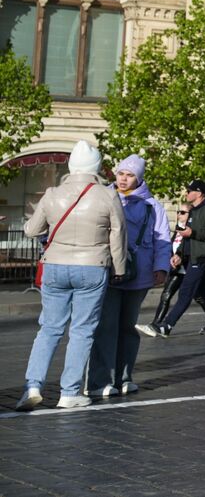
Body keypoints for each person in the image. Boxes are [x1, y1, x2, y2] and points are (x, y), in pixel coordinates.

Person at [17, 141, 128, 411]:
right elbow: (118, 236)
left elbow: (32, 230)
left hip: (55, 264)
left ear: (71, 165)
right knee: (82, 330)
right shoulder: (108, 195)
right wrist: (120, 269)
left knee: (49, 328)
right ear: (96, 166)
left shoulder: (53, 193)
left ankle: (33, 386)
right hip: (92, 265)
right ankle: (69, 392)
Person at [89, 155, 171, 398]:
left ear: (139, 178)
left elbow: (162, 239)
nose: (123, 179)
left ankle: (124, 378)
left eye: (130, 175)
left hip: (139, 273)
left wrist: (161, 267)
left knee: (127, 326)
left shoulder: (152, 206)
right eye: (121, 173)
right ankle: (101, 380)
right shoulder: (104, 197)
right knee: (106, 326)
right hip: (109, 269)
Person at [143, 179, 205, 337]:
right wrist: (179, 254)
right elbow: (187, 239)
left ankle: (167, 326)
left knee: (186, 292)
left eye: (190, 191)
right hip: (195, 257)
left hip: (202, 257)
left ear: (199, 193)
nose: (187, 193)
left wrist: (193, 233)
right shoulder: (196, 210)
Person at [143, 205, 205, 332]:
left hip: (191, 269)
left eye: (183, 212)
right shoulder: (178, 230)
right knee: (166, 294)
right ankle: (156, 324)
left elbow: (192, 250)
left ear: (191, 215)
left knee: (199, 296)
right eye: (178, 212)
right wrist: (171, 258)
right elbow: (172, 247)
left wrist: (181, 257)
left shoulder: (193, 230)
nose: (179, 215)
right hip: (178, 270)